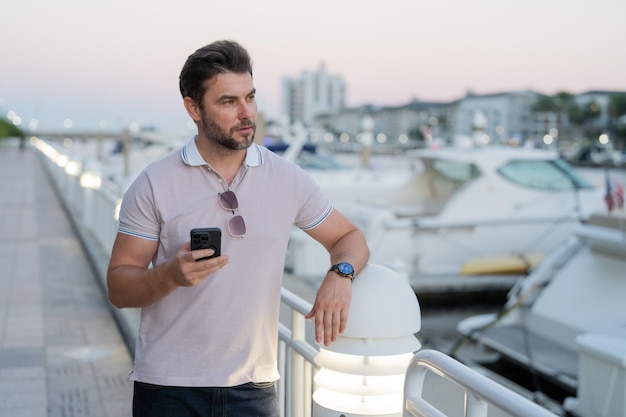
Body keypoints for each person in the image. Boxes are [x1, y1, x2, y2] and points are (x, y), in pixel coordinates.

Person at [106, 39, 370, 417]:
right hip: (168, 388)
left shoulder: (288, 178)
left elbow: (349, 238)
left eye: (250, 97)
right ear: (193, 108)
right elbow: (119, 286)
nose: (246, 113)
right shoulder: (154, 183)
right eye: (228, 102)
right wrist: (170, 276)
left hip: (253, 389)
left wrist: (340, 274)